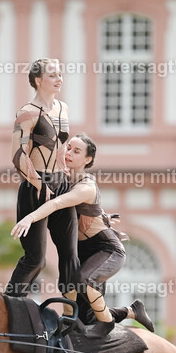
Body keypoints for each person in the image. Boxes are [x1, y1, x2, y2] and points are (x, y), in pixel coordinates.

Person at [12, 133, 156, 338]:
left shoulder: (86, 186)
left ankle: (106, 323)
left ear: (87, 160)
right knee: (83, 315)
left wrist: (29, 218)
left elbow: (57, 203)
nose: (69, 153)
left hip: (105, 250)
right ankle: (132, 311)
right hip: (83, 252)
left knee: (83, 280)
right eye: (68, 148)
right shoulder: (63, 178)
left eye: (76, 151)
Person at [6, 58, 80, 299]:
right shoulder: (27, 113)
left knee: (70, 254)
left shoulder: (63, 108)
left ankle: (75, 314)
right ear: (38, 80)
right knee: (36, 259)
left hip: (61, 184)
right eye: (52, 75)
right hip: (35, 187)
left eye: (60, 74)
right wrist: (39, 183)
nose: (59, 79)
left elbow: (61, 146)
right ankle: (10, 305)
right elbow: (18, 155)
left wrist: (68, 172)